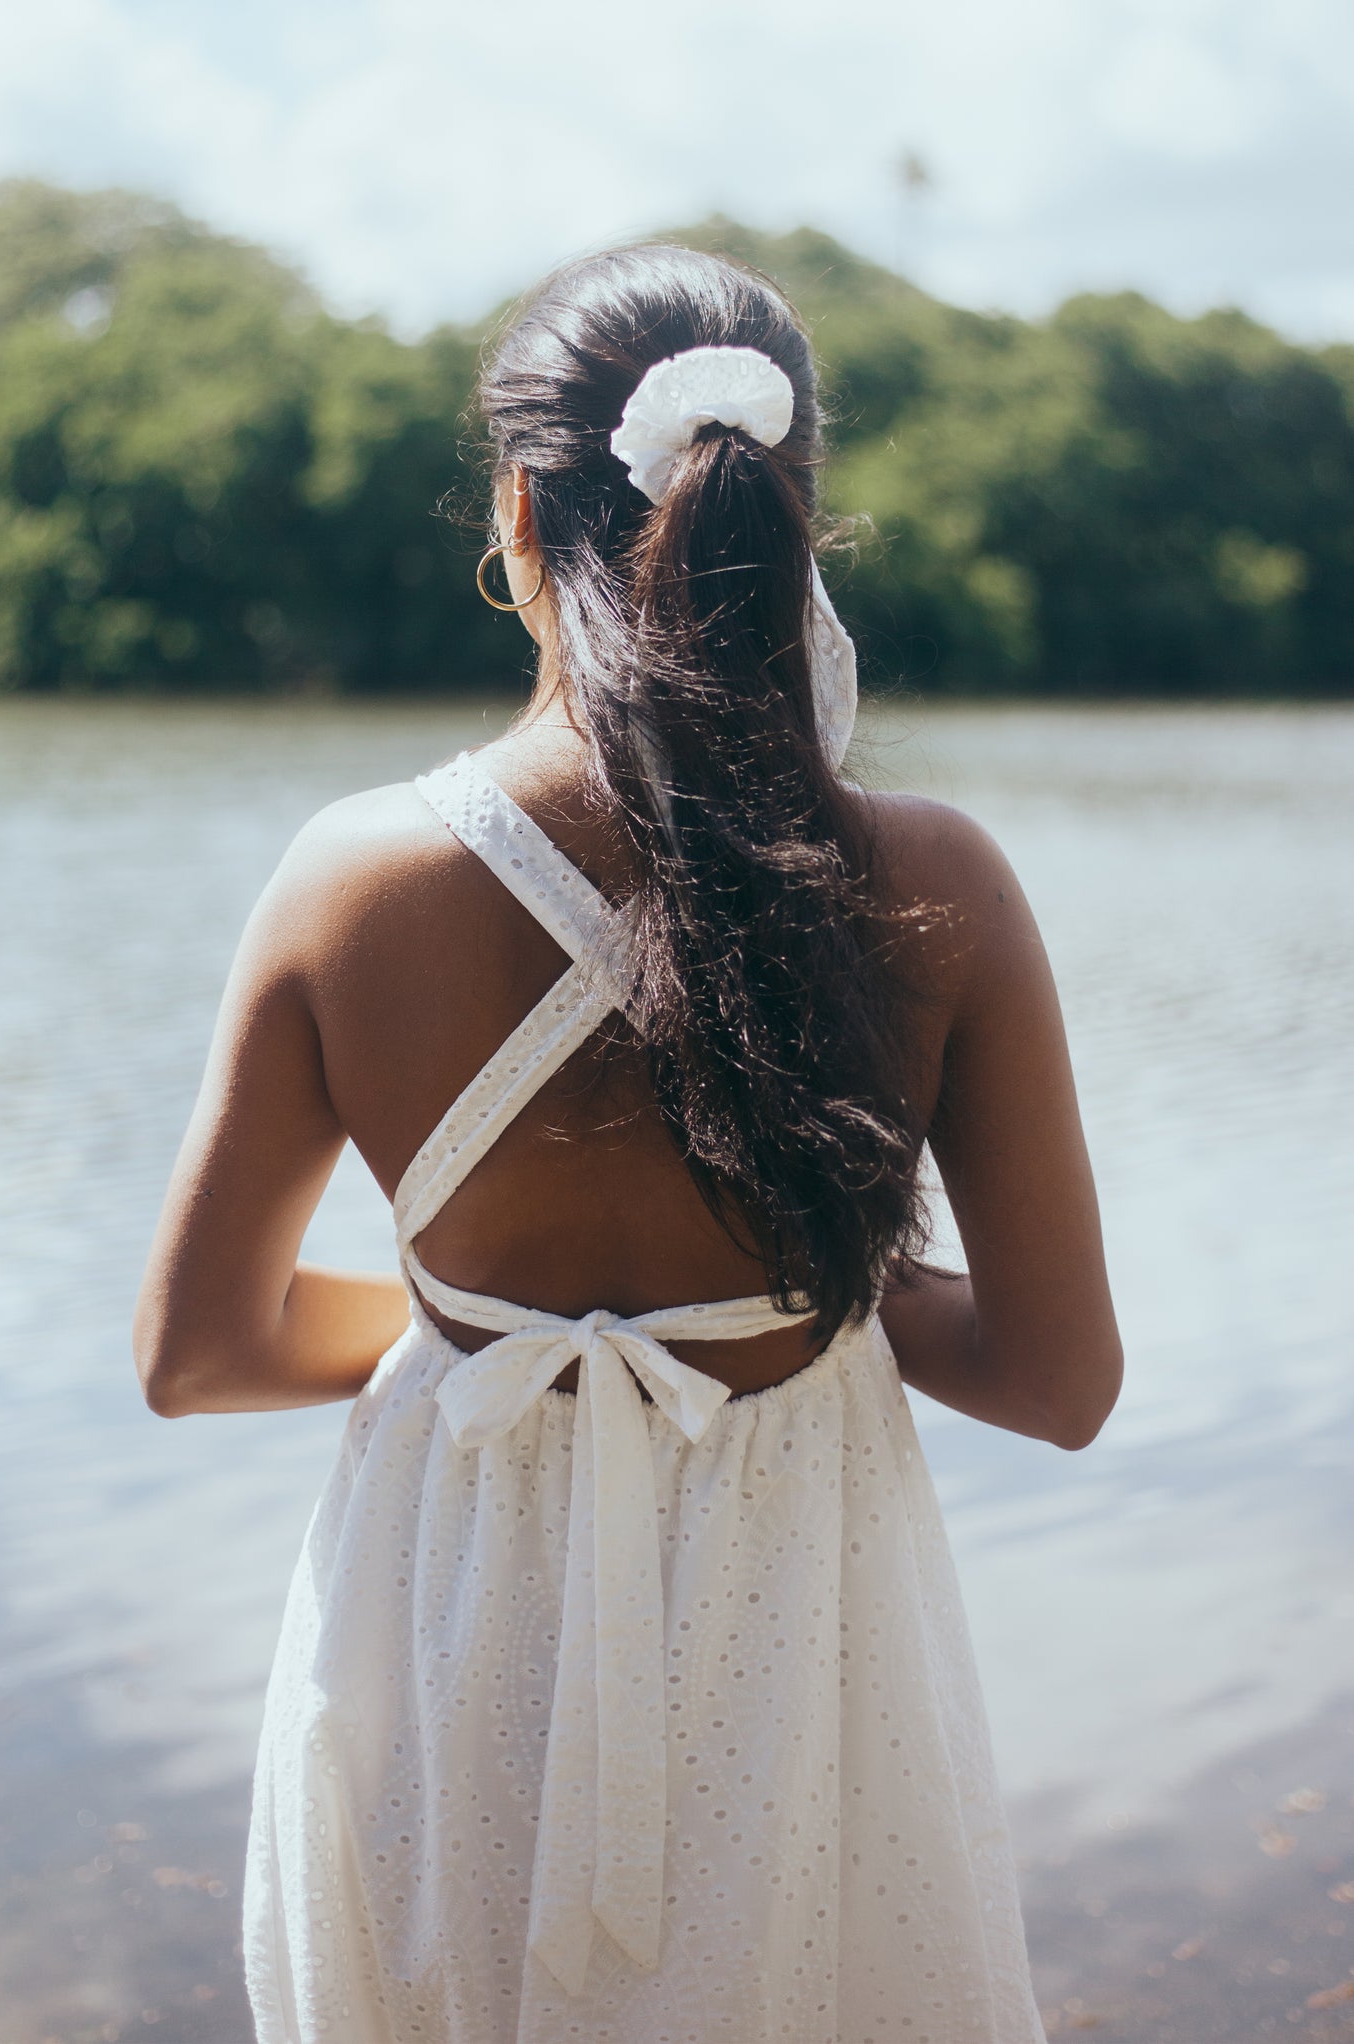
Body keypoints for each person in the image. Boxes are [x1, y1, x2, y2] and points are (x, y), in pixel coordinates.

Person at [134, 241, 1122, 2044]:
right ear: (795, 515)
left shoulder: (350, 877)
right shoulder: (938, 883)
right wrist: (806, 1280)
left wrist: (482, 1322)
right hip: (791, 1628)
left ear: (514, 512)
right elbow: (1057, 1380)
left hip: (442, 1613)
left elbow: (197, 1353)